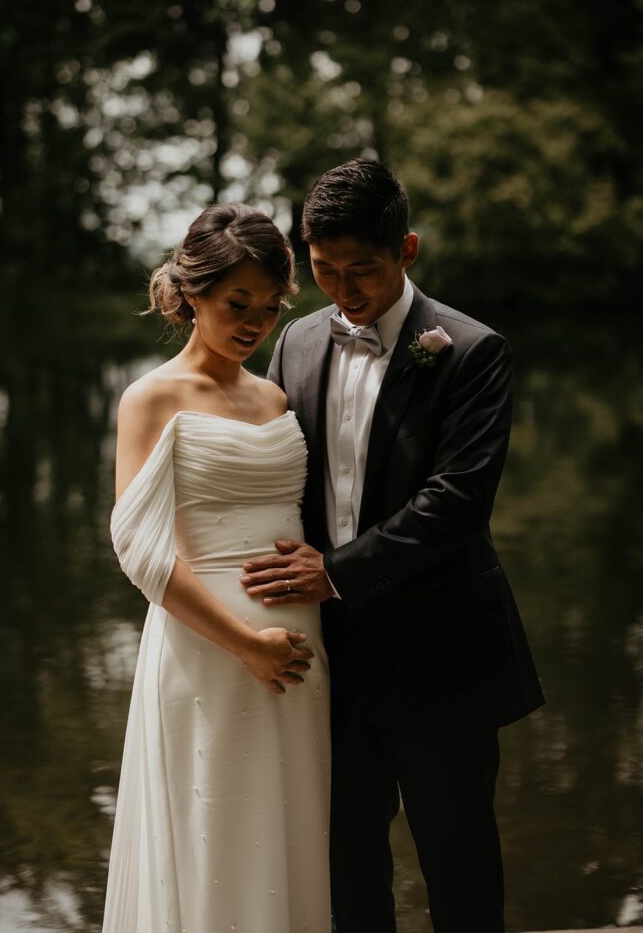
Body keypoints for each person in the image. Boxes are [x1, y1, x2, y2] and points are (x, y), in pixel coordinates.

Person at [240, 158, 545, 933]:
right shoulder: (296, 345)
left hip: (443, 652)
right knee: (343, 863)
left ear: (405, 252)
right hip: (329, 660)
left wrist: (335, 572)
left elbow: (457, 503)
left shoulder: (471, 352)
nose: (342, 292)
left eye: (361, 271)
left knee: (458, 862)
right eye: (322, 271)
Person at [102, 203, 332, 933]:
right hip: (210, 653)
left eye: (269, 309)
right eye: (238, 304)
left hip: (298, 657)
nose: (255, 324)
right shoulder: (151, 397)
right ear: (190, 293)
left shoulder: (273, 396)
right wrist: (246, 644)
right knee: (216, 835)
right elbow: (140, 551)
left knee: (289, 831)